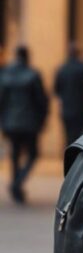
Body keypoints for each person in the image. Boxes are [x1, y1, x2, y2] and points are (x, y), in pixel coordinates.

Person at [0, 45, 49, 204]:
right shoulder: (33, 75)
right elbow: (42, 101)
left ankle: (16, 187)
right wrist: (42, 120)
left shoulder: (5, 75)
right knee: (33, 154)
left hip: (10, 122)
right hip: (29, 122)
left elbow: (2, 101)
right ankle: (17, 184)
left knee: (15, 155)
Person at [54, 43, 83, 148]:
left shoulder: (62, 69)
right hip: (82, 108)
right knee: (81, 135)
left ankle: (69, 156)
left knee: (68, 135)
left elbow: (56, 90)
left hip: (67, 109)